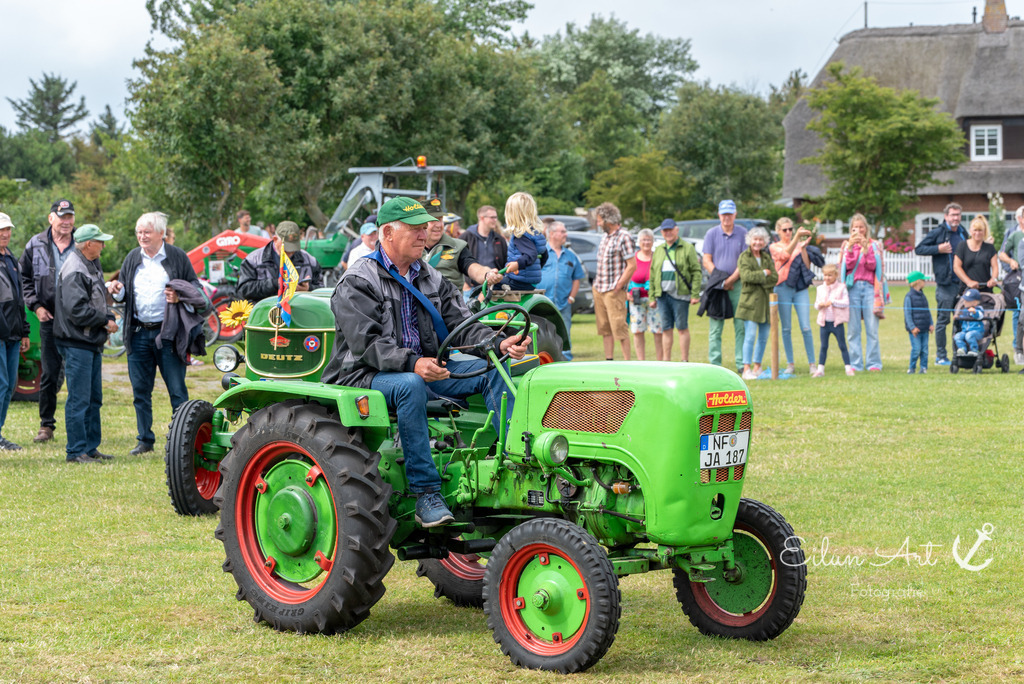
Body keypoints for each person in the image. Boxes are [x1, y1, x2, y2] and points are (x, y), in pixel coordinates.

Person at [320, 197, 531, 527]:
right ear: (387, 233)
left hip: (423, 367)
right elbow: (367, 344)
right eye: (416, 230)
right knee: (410, 385)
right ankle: (426, 494)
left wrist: (497, 342)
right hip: (363, 373)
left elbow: (462, 323)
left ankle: (516, 463)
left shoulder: (430, 276)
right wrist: (413, 363)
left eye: (426, 229)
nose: (425, 235)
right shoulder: (358, 280)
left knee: (494, 370)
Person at [107, 212, 207, 456]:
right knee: (140, 391)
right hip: (138, 333)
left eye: (147, 232)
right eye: (139, 232)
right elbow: (124, 295)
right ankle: (145, 440)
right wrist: (117, 290)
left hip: (169, 335)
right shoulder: (132, 257)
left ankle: (182, 440)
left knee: (176, 389)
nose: (142, 236)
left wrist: (179, 296)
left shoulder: (177, 257)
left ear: (161, 233)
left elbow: (196, 289)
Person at [54, 225, 117, 464]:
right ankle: (75, 451)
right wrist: (105, 321)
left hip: (89, 341)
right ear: (88, 244)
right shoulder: (75, 267)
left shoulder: (91, 263)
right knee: (79, 398)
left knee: (93, 398)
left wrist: (107, 316)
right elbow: (77, 310)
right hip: (76, 342)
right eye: (99, 241)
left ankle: (90, 448)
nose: (103, 244)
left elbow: (97, 299)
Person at [19, 198, 76, 443]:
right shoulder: (36, 244)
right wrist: (36, 306)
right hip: (49, 317)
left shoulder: (81, 243)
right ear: (51, 218)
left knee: (77, 373)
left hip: (76, 319)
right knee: (50, 373)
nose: (67, 222)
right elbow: (23, 278)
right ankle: (47, 426)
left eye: (70, 217)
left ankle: (79, 426)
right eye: (62, 216)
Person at [915, 202, 967, 366]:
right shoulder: (938, 232)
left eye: (958, 215)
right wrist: (938, 249)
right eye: (952, 215)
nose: (955, 218)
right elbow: (919, 249)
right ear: (946, 216)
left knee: (962, 320)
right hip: (945, 285)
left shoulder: (963, 232)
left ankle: (960, 354)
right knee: (943, 321)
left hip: (962, 285)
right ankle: (941, 357)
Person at [769, 217, 819, 375]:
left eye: (791, 229)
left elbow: (806, 265)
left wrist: (803, 248)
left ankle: (812, 364)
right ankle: (790, 364)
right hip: (782, 288)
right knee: (786, 328)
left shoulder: (798, 244)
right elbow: (784, 255)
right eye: (785, 230)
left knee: (806, 327)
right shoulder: (774, 247)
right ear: (778, 231)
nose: (789, 232)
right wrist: (797, 239)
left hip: (800, 287)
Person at [702, 200, 748, 370]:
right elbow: (706, 259)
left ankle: (742, 363)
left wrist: (731, 280)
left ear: (735, 214)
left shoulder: (743, 233)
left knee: (740, 326)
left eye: (730, 214)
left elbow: (745, 261)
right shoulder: (711, 234)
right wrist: (721, 279)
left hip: (738, 285)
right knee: (715, 329)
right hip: (717, 286)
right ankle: (715, 364)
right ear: (719, 215)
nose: (726, 217)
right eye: (724, 214)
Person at [649, 218, 702, 363]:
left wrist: (695, 294)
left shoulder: (687, 248)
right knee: (666, 329)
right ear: (661, 232)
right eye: (665, 231)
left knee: (682, 327)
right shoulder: (659, 249)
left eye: (670, 230)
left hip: (680, 294)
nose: (668, 233)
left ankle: (684, 360)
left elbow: (696, 272)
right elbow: (653, 274)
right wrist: (652, 296)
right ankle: (667, 361)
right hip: (662, 295)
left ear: (676, 230)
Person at [237, 221, 323, 304]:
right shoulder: (253, 260)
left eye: (294, 247)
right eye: (286, 248)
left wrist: (308, 289)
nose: (291, 252)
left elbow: (322, 290)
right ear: (275, 239)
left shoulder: (309, 260)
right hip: (265, 313)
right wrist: (275, 283)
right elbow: (243, 290)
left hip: (300, 314)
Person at [840, 213, 884, 372]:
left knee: (872, 328)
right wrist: (851, 248)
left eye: (861, 227)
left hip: (870, 288)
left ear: (866, 229)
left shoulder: (873, 245)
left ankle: (874, 363)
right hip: (853, 289)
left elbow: (872, 266)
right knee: (853, 329)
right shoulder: (847, 245)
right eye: (855, 228)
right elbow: (848, 266)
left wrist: (865, 250)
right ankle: (856, 364)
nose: (858, 230)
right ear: (851, 230)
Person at [0, 213, 30, 451]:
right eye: (1, 230)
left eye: (7, 229)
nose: (5, 234)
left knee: (9, 385)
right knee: (1, 384)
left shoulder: (12, 259)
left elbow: (19, 301)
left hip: (12, 334)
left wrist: (25, 332)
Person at [593, 202, 636, 361]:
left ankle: (627, 362)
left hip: (614, 291)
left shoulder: (624, 237)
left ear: (607, 220)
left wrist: (619, 286)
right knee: (605, 328)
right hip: (599, 288)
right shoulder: (604, 237)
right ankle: (608, 360)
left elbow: (632, 266)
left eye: (599, 220)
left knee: (620, 328)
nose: (598, 224)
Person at [538, 221, 585, 360]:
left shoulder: (570, 255)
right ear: (551, 234)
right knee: (541, 332)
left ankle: (566, 360)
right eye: (562, 231)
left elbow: (577, 277)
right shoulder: (541, 253)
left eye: (565, 231)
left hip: (563, 304)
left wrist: (571, 297)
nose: (566, 234)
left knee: (565, 334)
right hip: (543, 302)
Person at [736, 227, 778, 380]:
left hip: (766, 304)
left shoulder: (766, 257)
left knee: (763, 336)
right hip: (750, 303)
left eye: (761, 240)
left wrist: (761, 279)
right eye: (755, 239)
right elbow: (746, 277)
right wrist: (763, 274)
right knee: (750, 335)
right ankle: (746, 368)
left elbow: (774, 278)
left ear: (765, 242)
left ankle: (757, 366)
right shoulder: (744, 257)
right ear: (750, 240)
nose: (758, 242)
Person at [498, 192, 547, 291]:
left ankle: (475, 306)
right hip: (531, 283)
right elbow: (545, 255)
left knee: (484, 287)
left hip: (517, 282)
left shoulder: (520, 235)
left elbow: (531, 254)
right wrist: (533, 272)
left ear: (511, 214)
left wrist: (517, 264)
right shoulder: (535, 234)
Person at [627, 228, 663, 361]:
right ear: (639, 242)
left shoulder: (657, 257)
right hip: (635, 299)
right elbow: (625, 276)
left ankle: (660, 360)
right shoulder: (633, 258)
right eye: (643, 240)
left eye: (649, 240)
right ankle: (641, 361)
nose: (646, 242)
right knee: (637, 330)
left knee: (658, 330)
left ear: (653, 241)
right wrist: (626, 292)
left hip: (654, 299)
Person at [812, 264, 853, 377]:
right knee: (823, 346)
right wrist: (820, 305)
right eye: (825, 275)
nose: (827, 278)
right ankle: (820, 369)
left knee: (842, 345)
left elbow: (845, 303)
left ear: (835, 275)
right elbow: (816, 304)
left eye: (830, 275)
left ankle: (848, 368)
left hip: (837, 323)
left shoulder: (842, 288)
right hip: (824, 323)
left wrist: (833, 302)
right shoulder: (820, 289)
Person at [999, 205, 1024, 362]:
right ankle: (1018, 348)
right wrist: (1011, 262)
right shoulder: (1014, 235)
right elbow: (1002, 253)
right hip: (1018, 277)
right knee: (1019, 313)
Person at [953, 215, 998, 294]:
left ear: (984, 232)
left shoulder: (989, 248)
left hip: (986, 290)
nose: (977, 233)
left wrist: (993, 279)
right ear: (970, 231)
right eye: (975, 230)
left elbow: (995, 267)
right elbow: (956, 267)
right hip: (967, 290)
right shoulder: (962, 246)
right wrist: (968, 281)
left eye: (980, 230)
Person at [462, 205, 508, 272]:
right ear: (482, 218)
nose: (495, 220)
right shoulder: (466, 237)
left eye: (496, 217)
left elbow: (505, 262)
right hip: (472, 281)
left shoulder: (499, 239)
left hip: (496, 280)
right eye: (492, 217)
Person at [904, 271, 934, 374]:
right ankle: (912, 368)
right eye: (923, 280)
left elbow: (927, 311)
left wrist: (931, 324)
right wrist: (912, 327)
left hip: (925, 327)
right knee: (916, 349)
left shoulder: (923, 296)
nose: (925, 282)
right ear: (917, 282)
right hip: (915, 330)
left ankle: (923, 368)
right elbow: (907, 314)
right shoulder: (909, 297)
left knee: (924, 350)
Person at [953, 288, 986, 355]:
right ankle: (962, 349)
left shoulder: (979, 309)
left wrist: (974, 312)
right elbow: (962, 321)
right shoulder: (964, 310)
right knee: (957, 336)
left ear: (975, 302)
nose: (964, 302)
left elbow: (980, 316)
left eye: (967, 301)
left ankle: (974, 350)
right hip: (965, 331)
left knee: (969, 335)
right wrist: (958, 318)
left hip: (977, 332)